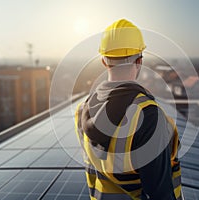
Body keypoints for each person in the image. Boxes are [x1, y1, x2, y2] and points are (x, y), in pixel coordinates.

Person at [75, 19, 182, 200]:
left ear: (103, 61)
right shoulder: (147, 115)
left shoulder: (82, 110)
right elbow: (159, 193)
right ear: (139, 61)